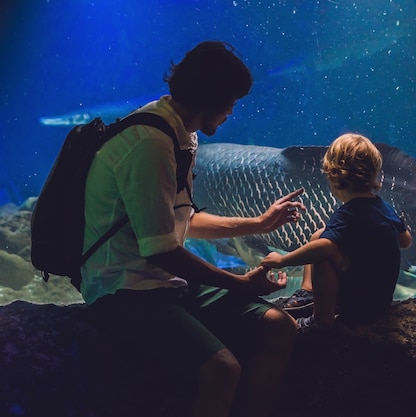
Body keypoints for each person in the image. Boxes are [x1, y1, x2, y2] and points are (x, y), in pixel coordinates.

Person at [81, 41, 305, 417]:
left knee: (279, 327)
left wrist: (258, 223)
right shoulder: (150, 143)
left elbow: (181, 222)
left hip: (165, 284)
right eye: (231, 100)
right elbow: (161, 249)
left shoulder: (181, 131)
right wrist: (239, 283)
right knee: (222, 369)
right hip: (125, 289)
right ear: (211, 96)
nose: (233, 110)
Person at [261, 133, 412, 333]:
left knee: (321, 249)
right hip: (380, 303)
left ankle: (321, 320)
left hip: (357, 308)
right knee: (320, 235)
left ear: (333, 176)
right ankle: (308, 294)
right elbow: (406, 241)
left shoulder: (348, 214)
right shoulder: (384, 208)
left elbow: (323, 249)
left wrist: (282, 260)